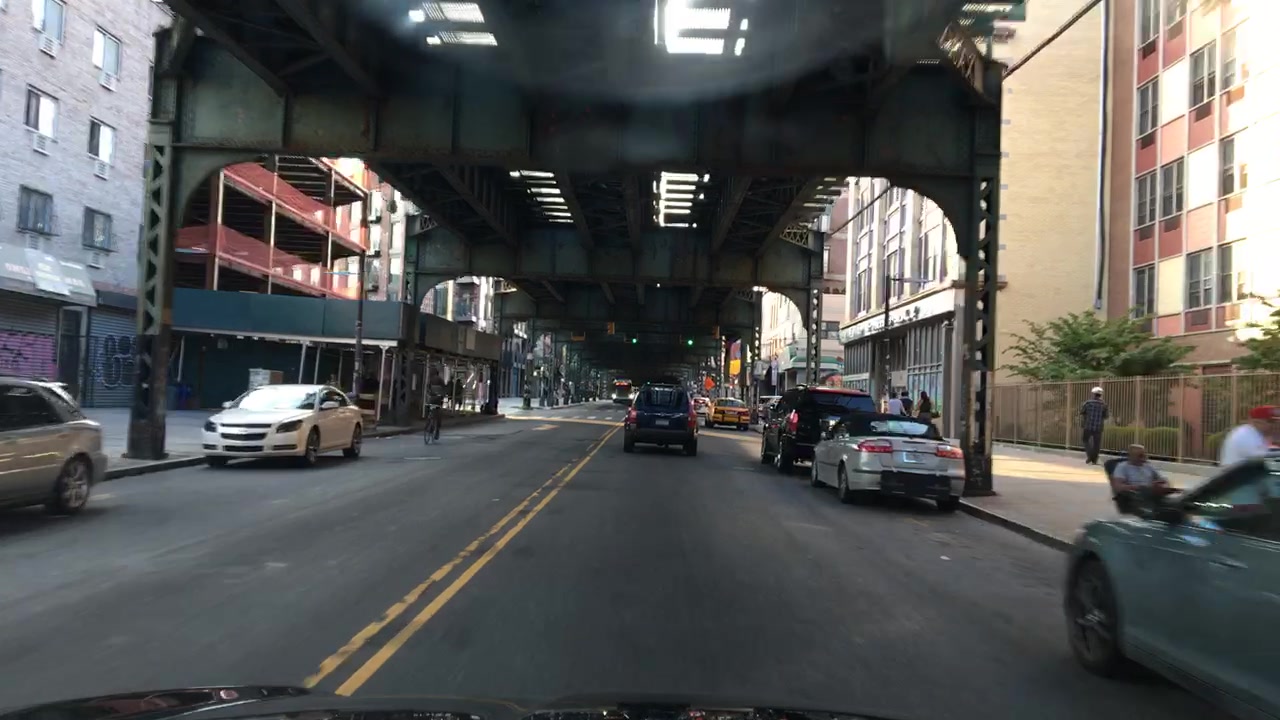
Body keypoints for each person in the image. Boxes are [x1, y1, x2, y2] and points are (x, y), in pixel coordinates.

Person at [1109, 444, 1172, 514]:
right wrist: (1140, 487)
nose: (1144, 458)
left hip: (1153, 495)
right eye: (1140, 456)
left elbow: (1164, 480)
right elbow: (1118, 487)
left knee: (1178, 502)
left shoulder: (1148, 466)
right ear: (1131, 456)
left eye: (1145, 455)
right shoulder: (1122, 467)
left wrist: (1164, 486)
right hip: (1135, 498)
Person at [1079, 387, 1108, 465]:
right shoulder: (1104, 405)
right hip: (1098, 427)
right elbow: (1106, 416)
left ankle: (1090, 456)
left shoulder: (1087, 403)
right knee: (1096, 444)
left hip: (1088, 425)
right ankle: (1094, 460)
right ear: (1101, 395)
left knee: (1085, 440)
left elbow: (1082, 412)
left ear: (1093, 394)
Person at [426, 369, 447, 437]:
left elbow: (428, 388)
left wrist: (429, 394)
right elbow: (444, 389)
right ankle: (437, 430)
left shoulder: (430, 380)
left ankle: (429, 423)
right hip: (438, 399)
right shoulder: (440, 380)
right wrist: (442, 396)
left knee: (430, 409)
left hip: (432, 399)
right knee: (438, 415)